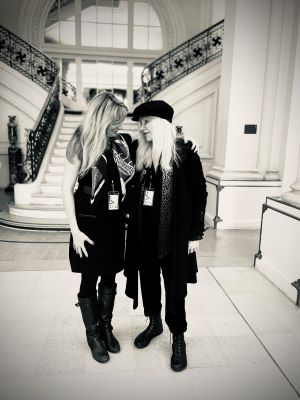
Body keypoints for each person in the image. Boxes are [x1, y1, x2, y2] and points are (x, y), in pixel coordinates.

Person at [124, 100, 207, 372]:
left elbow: (199, 194)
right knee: (148, 283)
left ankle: (178, 337)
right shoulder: (138, 150)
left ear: (162, 125)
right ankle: (154, 323)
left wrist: (195, 233)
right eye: (140, 123)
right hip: (144, 237)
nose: (142, 127)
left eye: (147, 122)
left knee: (175, 291)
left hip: (173, 238)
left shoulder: (184, 154)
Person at [62, 91, 135, 364]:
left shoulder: (121, 143)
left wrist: (185, 140)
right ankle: (93, 335)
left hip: (114, 222)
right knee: (88, 279)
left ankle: (106, 327)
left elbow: (153, 146)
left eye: (122, 120)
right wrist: (74, 230)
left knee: (110, 276)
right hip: (88, 225)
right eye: (116, 120)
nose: (120, 125)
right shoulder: (80, 143)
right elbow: (66, 190)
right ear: (102, 116)